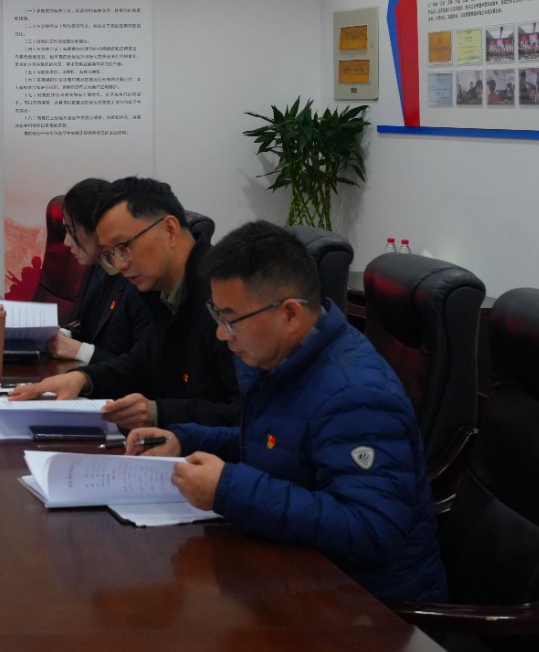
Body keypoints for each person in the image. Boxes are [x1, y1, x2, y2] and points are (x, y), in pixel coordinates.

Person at [127, 221, 447, 603]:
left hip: (370, 608)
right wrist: (186, 439)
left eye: (230, 319)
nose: (221, 334)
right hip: (300, 577)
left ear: (290, 314)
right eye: (217, 315)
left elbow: (369, 530)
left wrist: (228, 489)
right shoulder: (280, 357)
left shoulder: (358, 395)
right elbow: (277, 444)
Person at [10, 176, 238, 431]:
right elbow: (140, 365)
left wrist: (159, 413)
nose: (119, 265)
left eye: (124, 247)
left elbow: (248, 418)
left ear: (170, 230)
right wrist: (82, 378)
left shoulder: (226, 298)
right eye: (110, 254)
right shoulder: (162, 293)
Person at [47, 177, 147, 362]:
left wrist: (81, 351)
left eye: (71, 231)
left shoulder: (139, 281)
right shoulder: (97, 270)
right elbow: (88, 330)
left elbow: (141, 367)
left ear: (97, 230)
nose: (67, 242)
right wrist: (59, 335)